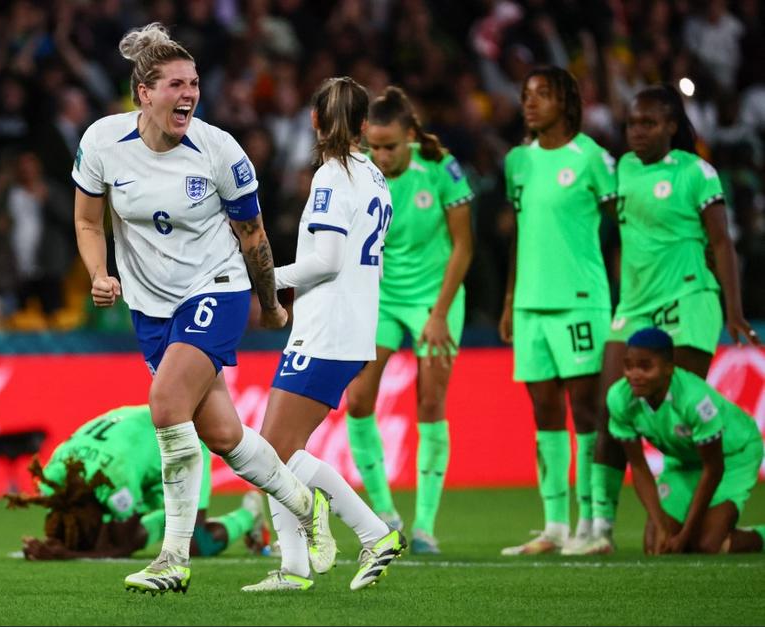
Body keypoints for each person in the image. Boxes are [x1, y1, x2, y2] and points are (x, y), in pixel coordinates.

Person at [71, 23, 334, 595]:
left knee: (166, 405)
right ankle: (305, 504)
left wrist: (270, 303)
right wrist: (99, 273)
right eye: (175, 84)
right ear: (144, 93)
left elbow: (253, 234)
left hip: (216, 287)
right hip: (150, 305)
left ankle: (172, 557)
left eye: (193, 84)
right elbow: (89, 222)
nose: (189, 94)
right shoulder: (102, 142)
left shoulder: (219, 151)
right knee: (222, 435)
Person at [571, 85, 764, 555]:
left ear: (671, 126)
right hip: (634, 306)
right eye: (632, 123)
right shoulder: (623, 170)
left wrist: (734, 309)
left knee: (677, 407)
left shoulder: (696, 172)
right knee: (608, 411)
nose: (637, 131)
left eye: (649, 123)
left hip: (688, 301)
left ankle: (704, 508)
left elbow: (721, 241)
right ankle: (599, 529)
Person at [241, 77, 405, 593]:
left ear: (315, 120)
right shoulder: (375, 176)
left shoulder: (332, 175)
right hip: (348, 325)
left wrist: (266, 278)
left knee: (271, 452)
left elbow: (328, 260)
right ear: (364, 125)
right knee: (273, 451)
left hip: (327, 329)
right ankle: (294, 568)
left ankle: (373, 533)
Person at [344, 86, 474, 555]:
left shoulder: (440, 168)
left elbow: (464, 247)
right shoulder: (359, 172)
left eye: (390, 147)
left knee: (431, 402)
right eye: (375, 147)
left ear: (411, 137)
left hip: (435, 299)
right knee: (358, 399)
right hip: (382, 299)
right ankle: (385, 514)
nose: (381, 156)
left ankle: (425, 528)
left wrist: (439, 315)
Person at [498, 66, 617, 556]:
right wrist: (510, 299)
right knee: (545, 413)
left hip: (580, 302)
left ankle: (592, 522)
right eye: (526, 95)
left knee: (587, 411)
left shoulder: (593, 158)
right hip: (530, 304)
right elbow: (522, 233)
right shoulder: (517, 161)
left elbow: (624, 228)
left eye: (542, 94)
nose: (529, 103)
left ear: (566, 101)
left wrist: (628, 293)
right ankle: (555, 527)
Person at [6, 406, 271, 560]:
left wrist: (70, 555)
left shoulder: (114, 479)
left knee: (192, 542)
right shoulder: (52, 482)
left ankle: (249, 515)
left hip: (178, 441)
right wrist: (62, 542)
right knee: (119, 527)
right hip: (138, 443)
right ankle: (170, 517)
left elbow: (124, 544)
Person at [607, 328, 765, 555]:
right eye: (628, 366)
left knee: (705, 546)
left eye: (645, 366)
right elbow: (639, 466)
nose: (634, 375)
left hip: (733, 455)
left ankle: (759, 535)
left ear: (669, 368)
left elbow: (713, 468)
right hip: (683, 461)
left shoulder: (694, 400)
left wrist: (686, 534)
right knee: (655, 547)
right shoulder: (619, 398)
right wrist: (662, 526)